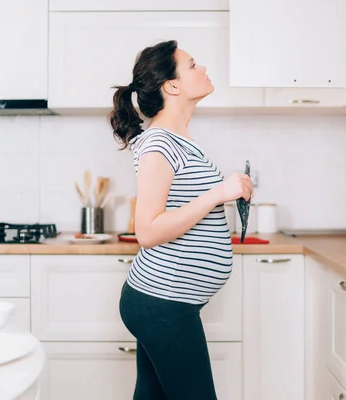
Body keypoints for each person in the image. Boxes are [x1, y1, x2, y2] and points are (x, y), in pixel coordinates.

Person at [109, 40, 253, 400]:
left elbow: (189, 206)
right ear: (171, 86)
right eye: (192, 65)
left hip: (167, 301)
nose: (202, 69)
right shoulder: (159, 142)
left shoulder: (179, 140)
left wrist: (229, 192)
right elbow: (148, 231)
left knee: (152, 395)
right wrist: (218, 193)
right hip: (162, 301)